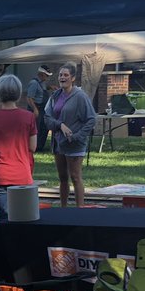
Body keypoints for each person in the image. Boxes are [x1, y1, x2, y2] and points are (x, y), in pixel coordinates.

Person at [44, 63, 96, 208]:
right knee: (62, 178)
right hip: (58, 143)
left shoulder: (80, 96)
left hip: (74, 144)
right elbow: (47, 118)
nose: (62, 77)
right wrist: (60, 125)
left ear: (73, 78)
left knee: (75, 176)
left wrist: (78, 136)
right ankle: (64, 208)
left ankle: (80, 210)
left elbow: (91, 119)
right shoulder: (55, 96)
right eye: (60, 75)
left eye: (66, 75)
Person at [0, 74, 37, 219]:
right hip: (22, 174)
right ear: (18, 93)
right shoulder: (29, 117)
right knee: (24, 218)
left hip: (0, 174)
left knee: (3, 220)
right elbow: (33, 147)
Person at [26, 65, 53, 153]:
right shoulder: (33, 83)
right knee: (36, 128)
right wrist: (35, 109)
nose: (48, 77)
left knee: (44, 127)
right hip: (36, 108)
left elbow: (42, 90)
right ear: (41, 74)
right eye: (47, 75)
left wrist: (50, 87)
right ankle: (35, 147)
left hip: (42, 109)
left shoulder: (42, 82)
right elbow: (29, 98)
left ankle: (40, 146)